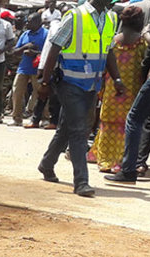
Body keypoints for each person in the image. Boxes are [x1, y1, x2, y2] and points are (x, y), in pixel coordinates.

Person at [38, 0, 123, 197]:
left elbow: (108, 50)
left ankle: (47, 163)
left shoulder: (110, 17)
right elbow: (55, 47)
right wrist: (44, 81)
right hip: (70, 82)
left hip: (92, 84)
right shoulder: (75, 16)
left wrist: (117, 78)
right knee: (79, 130)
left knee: (67, 128)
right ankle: (81, 182)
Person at [98, 6, 149, 176]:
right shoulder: (142, 43)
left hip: (113, 87)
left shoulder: (113, 40)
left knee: (108, 122)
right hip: (133, 90)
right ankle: (122, 160)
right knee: (129, 124)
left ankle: (104, 159)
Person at [11, 13, 48, 125]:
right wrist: (25, 47)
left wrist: (34, 53)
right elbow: (15, 51)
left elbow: (48, 53)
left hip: (38, 69)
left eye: (30, 21)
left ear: (38, 23)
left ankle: (45, 118)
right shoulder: (25, 34)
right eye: (27, 21)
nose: (27, 23)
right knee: (16, 91)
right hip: (24, 68)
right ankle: (17, 118)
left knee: (41, 93)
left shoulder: (46, 34)